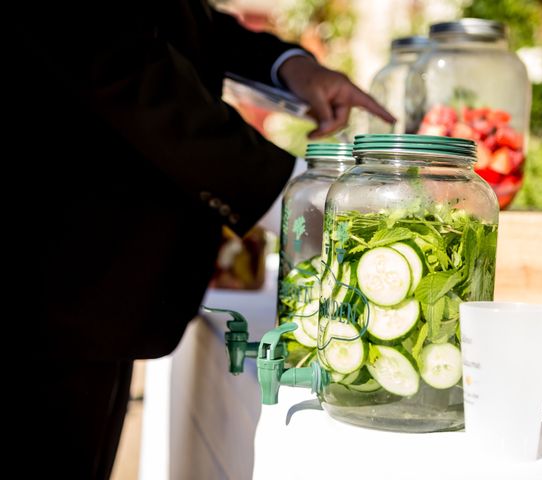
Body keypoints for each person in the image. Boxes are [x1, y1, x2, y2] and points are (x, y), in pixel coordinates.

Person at [9, 1, 393, 478]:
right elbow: (116, 57)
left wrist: (287, 65)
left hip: (99, 294)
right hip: (48, 282)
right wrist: (298, 195)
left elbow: (183, 19)